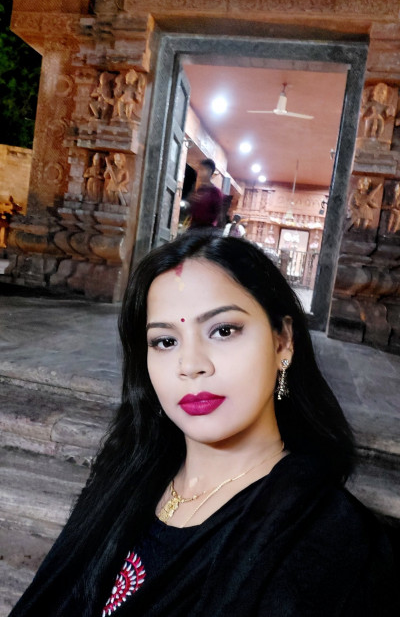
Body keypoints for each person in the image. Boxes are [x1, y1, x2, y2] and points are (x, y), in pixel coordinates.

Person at [9, 229, 397, 617]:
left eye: (223, 331)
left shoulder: (328, 542)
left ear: (283, 342)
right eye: (165, 341)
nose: (191, 365)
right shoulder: (128, 475)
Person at [187, 158, 223, 229]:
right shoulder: (199, 190)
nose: (199, 172)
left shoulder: (215, 192)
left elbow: (218, 214)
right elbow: (192, 212)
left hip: (207, 230)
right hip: (194, 227)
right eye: (199, 169)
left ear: (209, 171)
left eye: (202, 170)